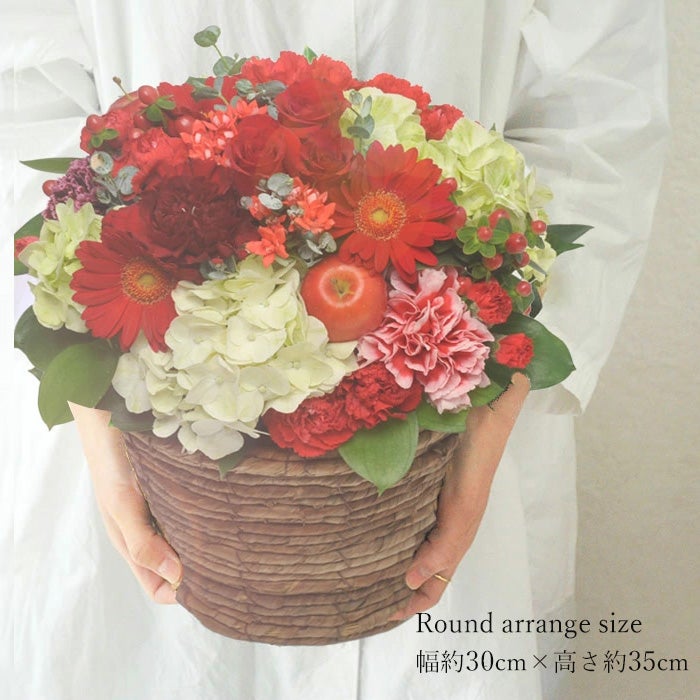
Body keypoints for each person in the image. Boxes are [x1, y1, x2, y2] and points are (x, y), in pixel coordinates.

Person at [5, 1, 668, 698]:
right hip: (144, 412)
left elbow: (601, 107)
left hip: (455, 419)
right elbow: (22, 95)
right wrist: (94, 406)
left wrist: (497, 394)